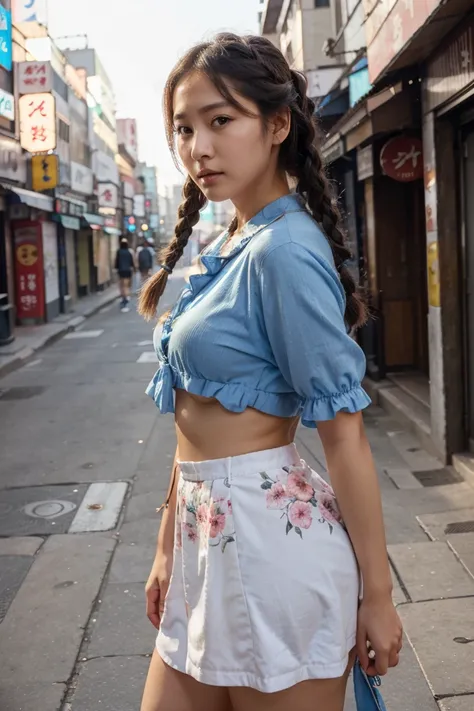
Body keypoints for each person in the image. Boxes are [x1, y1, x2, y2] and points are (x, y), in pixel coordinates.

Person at [138, 33, 402, 711]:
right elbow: (189, 430)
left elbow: (345, 436)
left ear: (277, 124)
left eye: (220, 121)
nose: (198, 147)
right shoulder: (236, 238)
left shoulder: (284, 249)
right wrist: (168, 547)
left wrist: (378, 595)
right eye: (184, 128)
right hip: (206, 542)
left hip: (272, 551)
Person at [114, 237, 135, 312]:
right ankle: (126, 298)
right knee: (126, 285)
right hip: (128, 270)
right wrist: (133, 268)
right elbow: (131, 262)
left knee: (121, 285)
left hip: (121, 270)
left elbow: (117, 261)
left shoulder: (119, 251)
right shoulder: (129, 252)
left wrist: (116, 268)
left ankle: (124, 298)